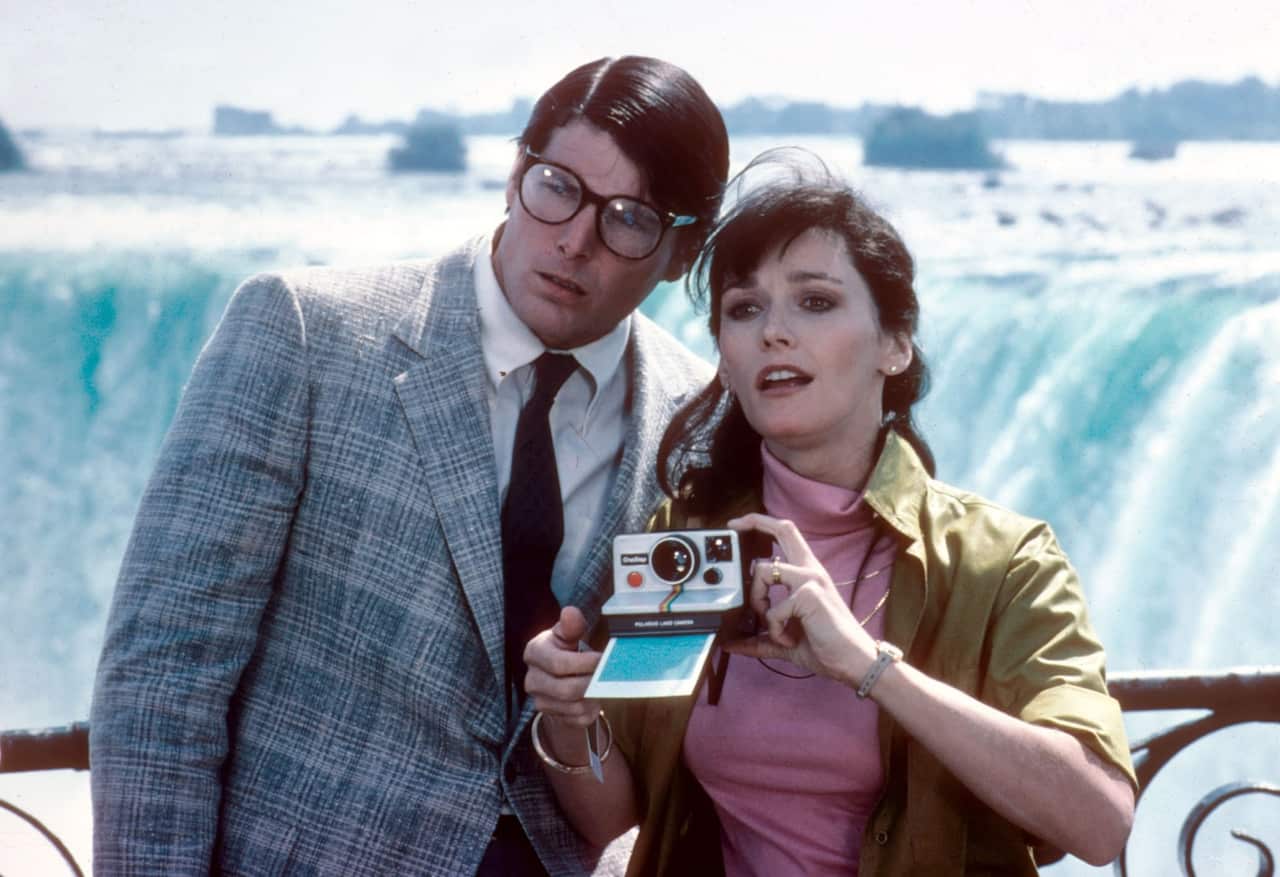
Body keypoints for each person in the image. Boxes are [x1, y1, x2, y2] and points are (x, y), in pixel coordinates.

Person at [89, 56, 729, 876]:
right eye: (557, 185)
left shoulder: (701, 427)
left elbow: (660, 727)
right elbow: (164, 671)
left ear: (681, 252)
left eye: (630, 218)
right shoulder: (304, 332)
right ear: (512, 174)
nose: (575, 239)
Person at [524, 159, 1137, 875]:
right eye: (743, 309)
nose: (773, 333)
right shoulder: (693, 545)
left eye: (815, 302)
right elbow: (612, 812)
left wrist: (869, 666)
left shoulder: (1001, 561)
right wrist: (568, 719)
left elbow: (1098, 822)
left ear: (894, 343)